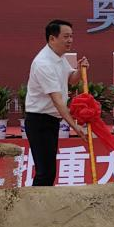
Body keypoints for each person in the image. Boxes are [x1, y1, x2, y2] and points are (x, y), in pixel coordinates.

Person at [24, 20, 88, 186]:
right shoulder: (43, 63)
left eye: (71, 36)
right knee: (45, 171)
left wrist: (79, 70)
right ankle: (34, 201)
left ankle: (40, 201)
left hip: (51, 120)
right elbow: (58, 101)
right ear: (52, 38)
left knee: (49, 171)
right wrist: (75, 126)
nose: (70, 40)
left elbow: (71, 80)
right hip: (39, 120)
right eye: (66, 37)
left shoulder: (59, 57)